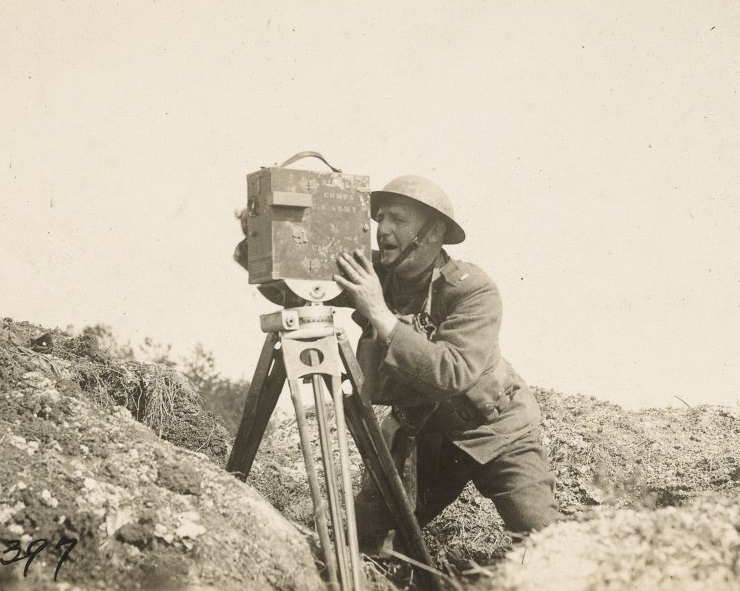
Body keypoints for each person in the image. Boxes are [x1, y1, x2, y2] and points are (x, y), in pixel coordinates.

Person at [333, 175, 559, 554]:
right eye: (380, 218)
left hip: (495, 429)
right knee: (363, 542)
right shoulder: (375, 274)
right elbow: (294, 280)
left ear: (434, 232)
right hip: (426, 434)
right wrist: (264, 236)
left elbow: (451, 372)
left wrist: (378, 312)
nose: (383, 230)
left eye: (398, 219)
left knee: (542, 540)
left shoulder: (472, 289)